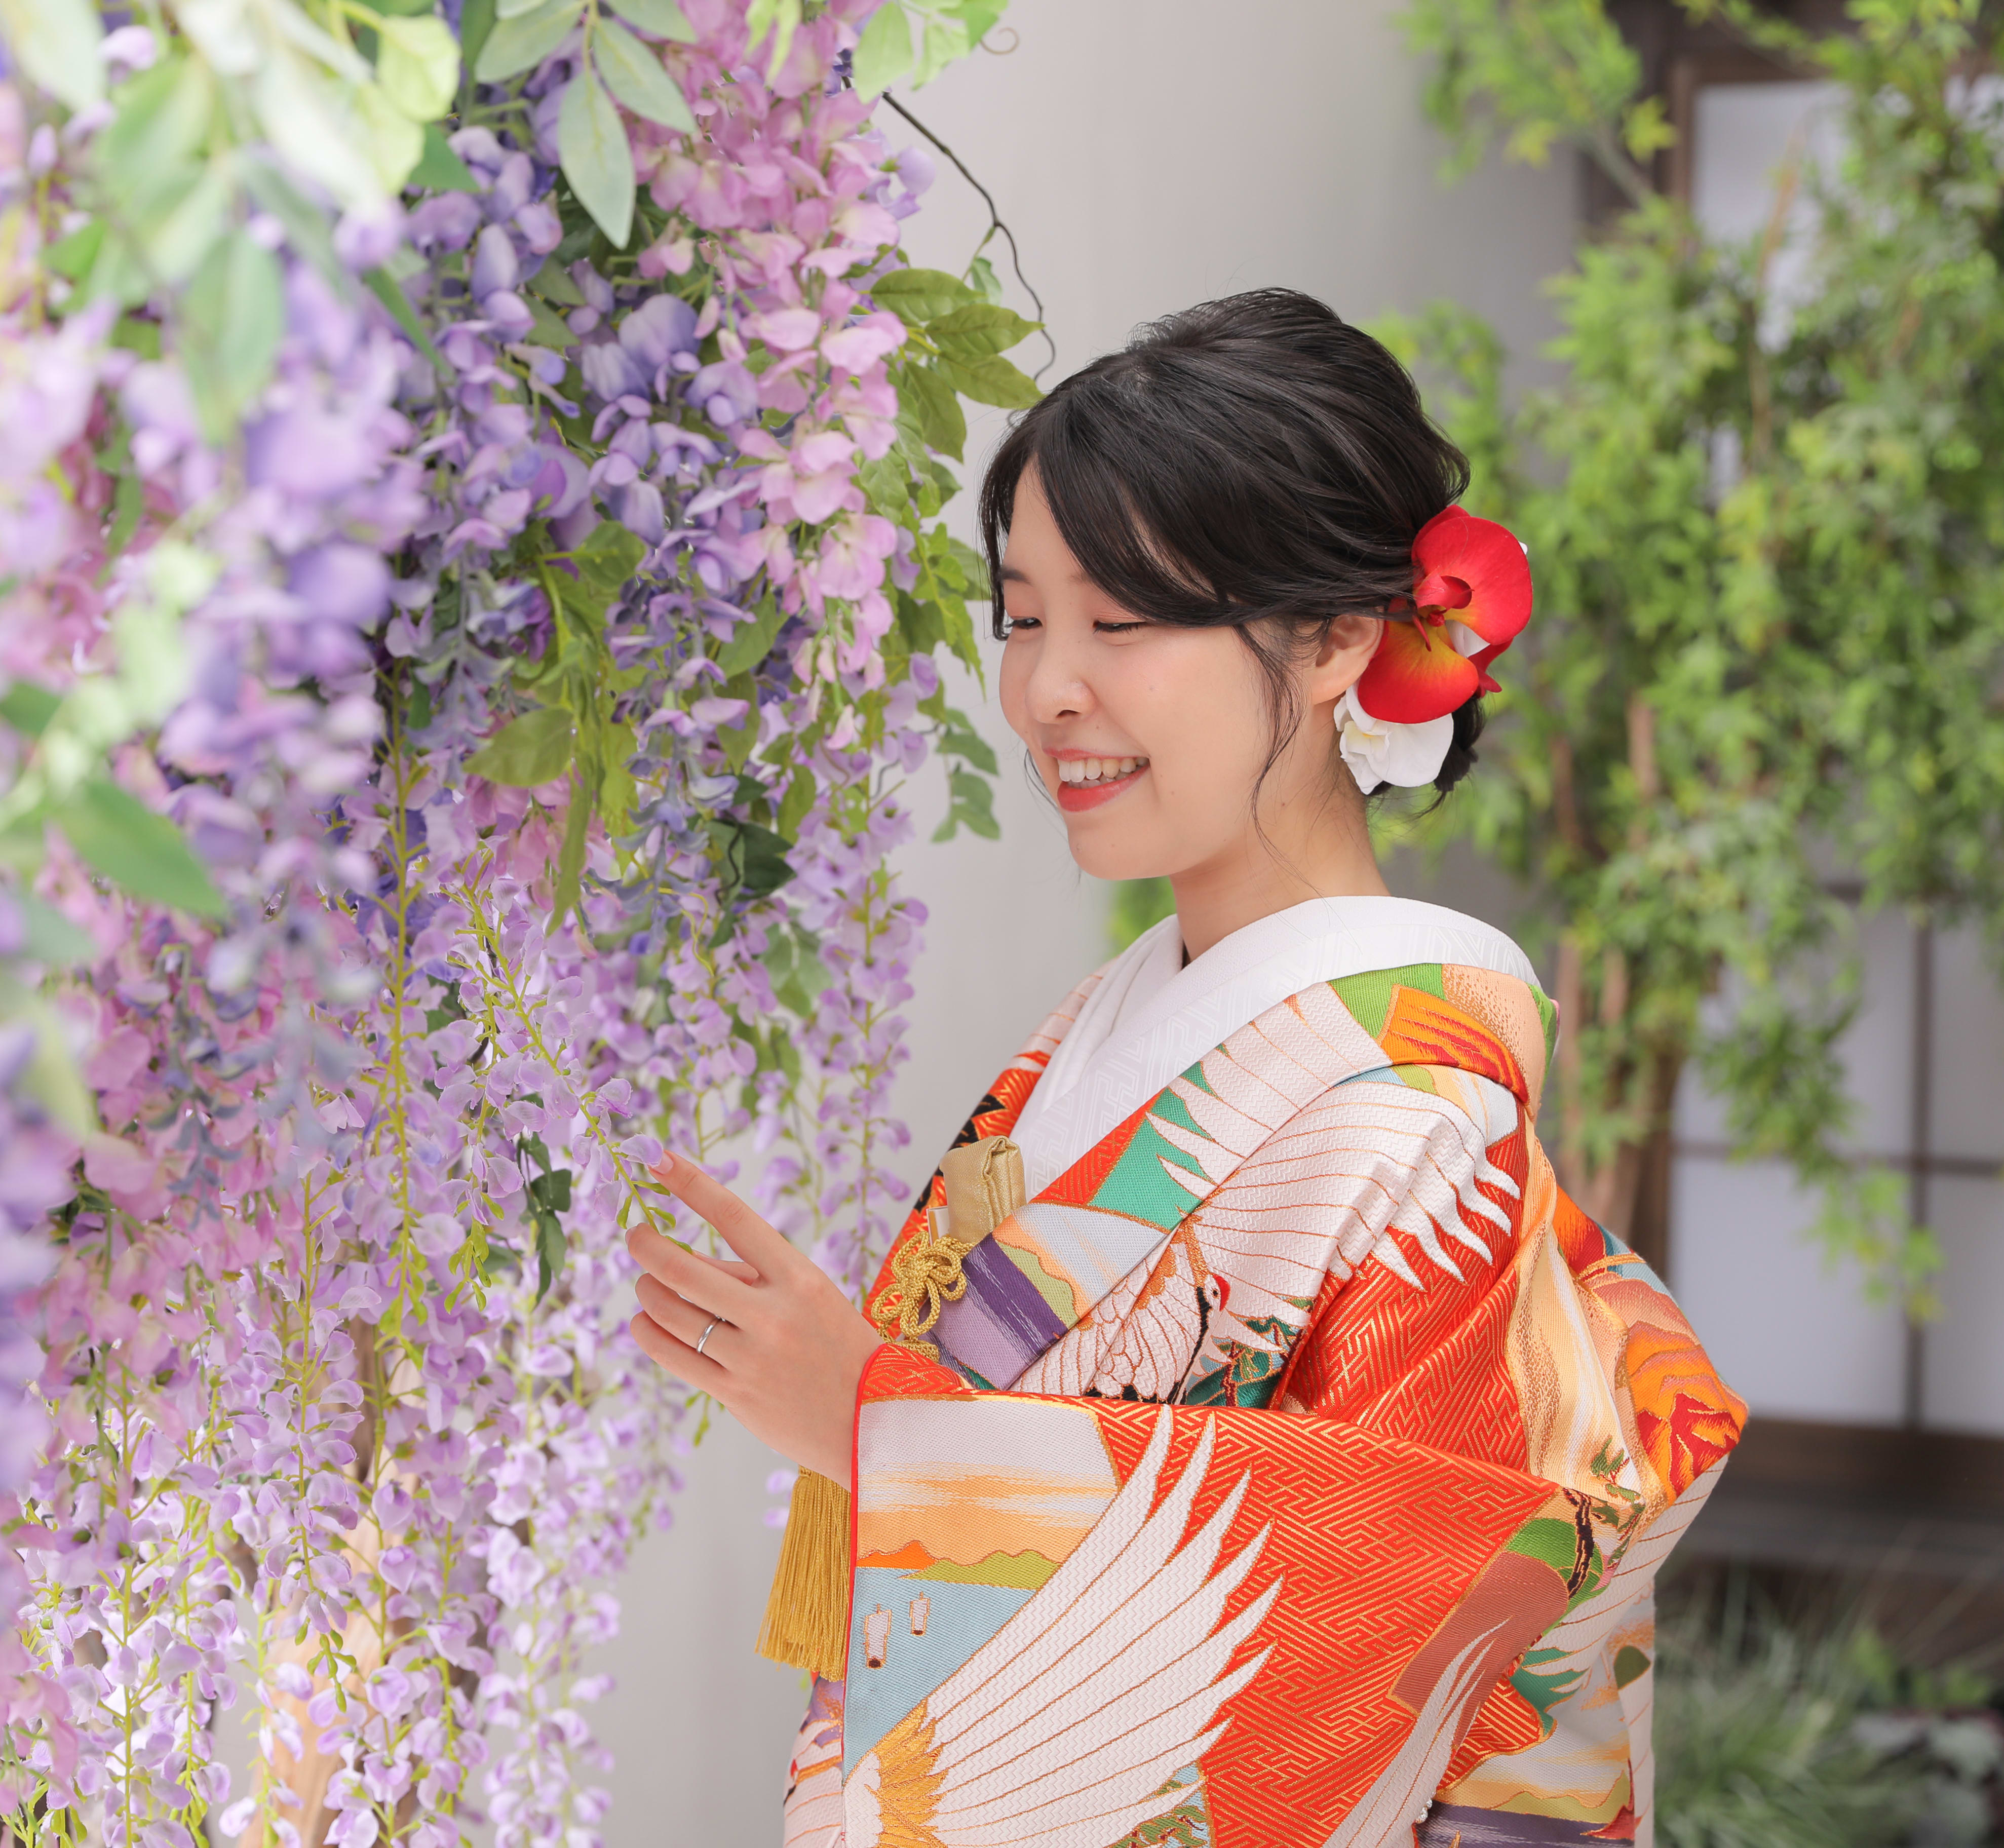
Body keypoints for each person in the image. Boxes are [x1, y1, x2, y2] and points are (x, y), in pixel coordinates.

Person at [626, 290, 1746, 1848]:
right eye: (1025, 617)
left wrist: (881, 1430)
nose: (1045, 690)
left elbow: (1384, 1602)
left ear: (1339, 637)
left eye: (1124, 620)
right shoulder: (1124, 1019)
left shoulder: (1415, 1110)